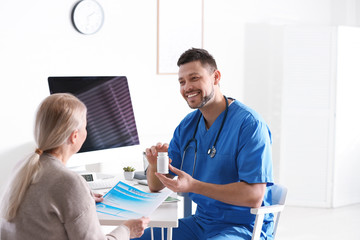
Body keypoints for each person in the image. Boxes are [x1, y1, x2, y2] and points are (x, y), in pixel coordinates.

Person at [137, 48, 274, 240]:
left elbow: (254, 196)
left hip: (243, 228)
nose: (187, 87)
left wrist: (194, 186)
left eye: (194, 78)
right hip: (201, 223)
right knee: (133, 236)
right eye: (182, 82)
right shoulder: (187, 126)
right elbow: (156, 187)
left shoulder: (249, 124)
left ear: (216, 77)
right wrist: (154, 166)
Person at [0, 93, 149, 240]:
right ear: (74, 136)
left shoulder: (21, 167)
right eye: (85, 126)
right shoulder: (68, 182)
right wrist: (127, 230)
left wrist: (83, 198)